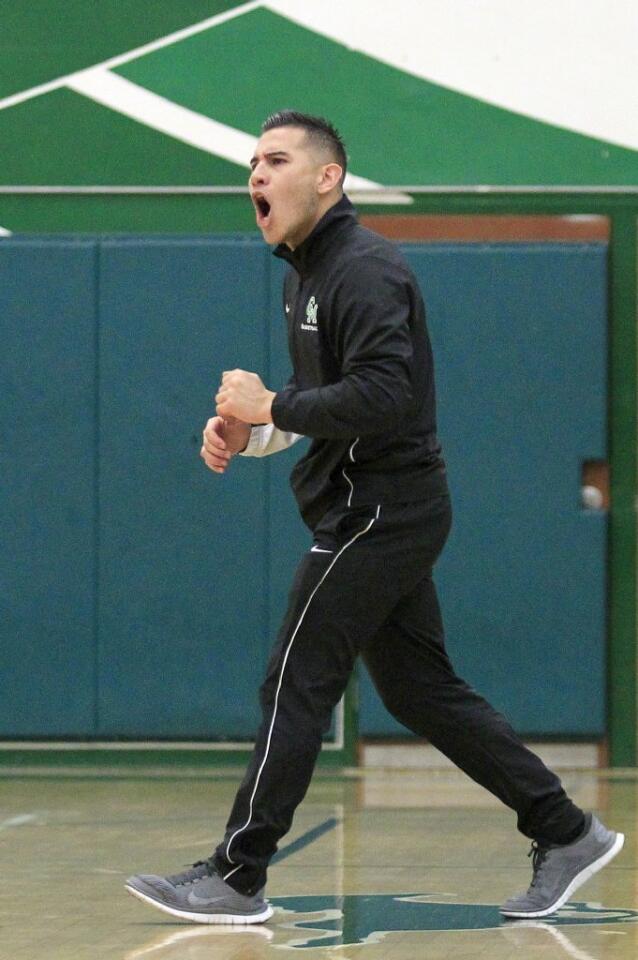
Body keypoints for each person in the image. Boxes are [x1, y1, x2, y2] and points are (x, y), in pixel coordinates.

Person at [126, 111, 624, 924]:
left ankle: (237, 875)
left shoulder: (366, 269)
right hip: (380, 504)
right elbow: (328, 405)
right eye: (251, 162)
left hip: (380, 509)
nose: (256, 175)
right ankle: (566, 832)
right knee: (421, 691)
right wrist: (255, 432)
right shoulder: (305, 275)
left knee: (295, 676)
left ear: (328, 178)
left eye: (275, 160)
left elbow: (387, 396)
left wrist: (271, 400)